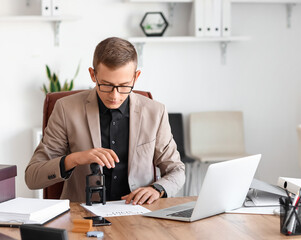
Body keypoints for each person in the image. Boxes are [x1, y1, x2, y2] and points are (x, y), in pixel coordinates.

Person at [25, 37, 185, 204]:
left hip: (138, 214)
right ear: (93, 75)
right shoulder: (66, 109)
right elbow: (33, 177)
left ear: (136, 77)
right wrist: (75, 159)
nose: (115, 96)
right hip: (82, 215)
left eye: (124, 86)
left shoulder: (155, 112)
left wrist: (157, 189)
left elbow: (177, 170)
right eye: (106, 85)